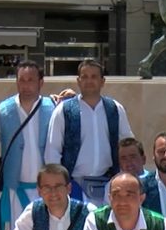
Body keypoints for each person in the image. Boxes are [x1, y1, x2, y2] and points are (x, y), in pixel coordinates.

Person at [45, 59, 134, 204]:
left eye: (94, 77)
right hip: (74, 186)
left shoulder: (114, 109)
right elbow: (52, 152)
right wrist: (59, 184)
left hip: (109, 185)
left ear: (102, 81)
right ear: (78, 81)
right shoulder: (64, 111)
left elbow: (127, 145)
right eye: (84, 77)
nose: (89, 81)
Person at [0, 61, 56, 230]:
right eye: (22, 80)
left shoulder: (53, 108)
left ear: (41, 82)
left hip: (46, 191)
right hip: (15, 190)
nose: (26, 85)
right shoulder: (2, 111)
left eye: (31, 80)